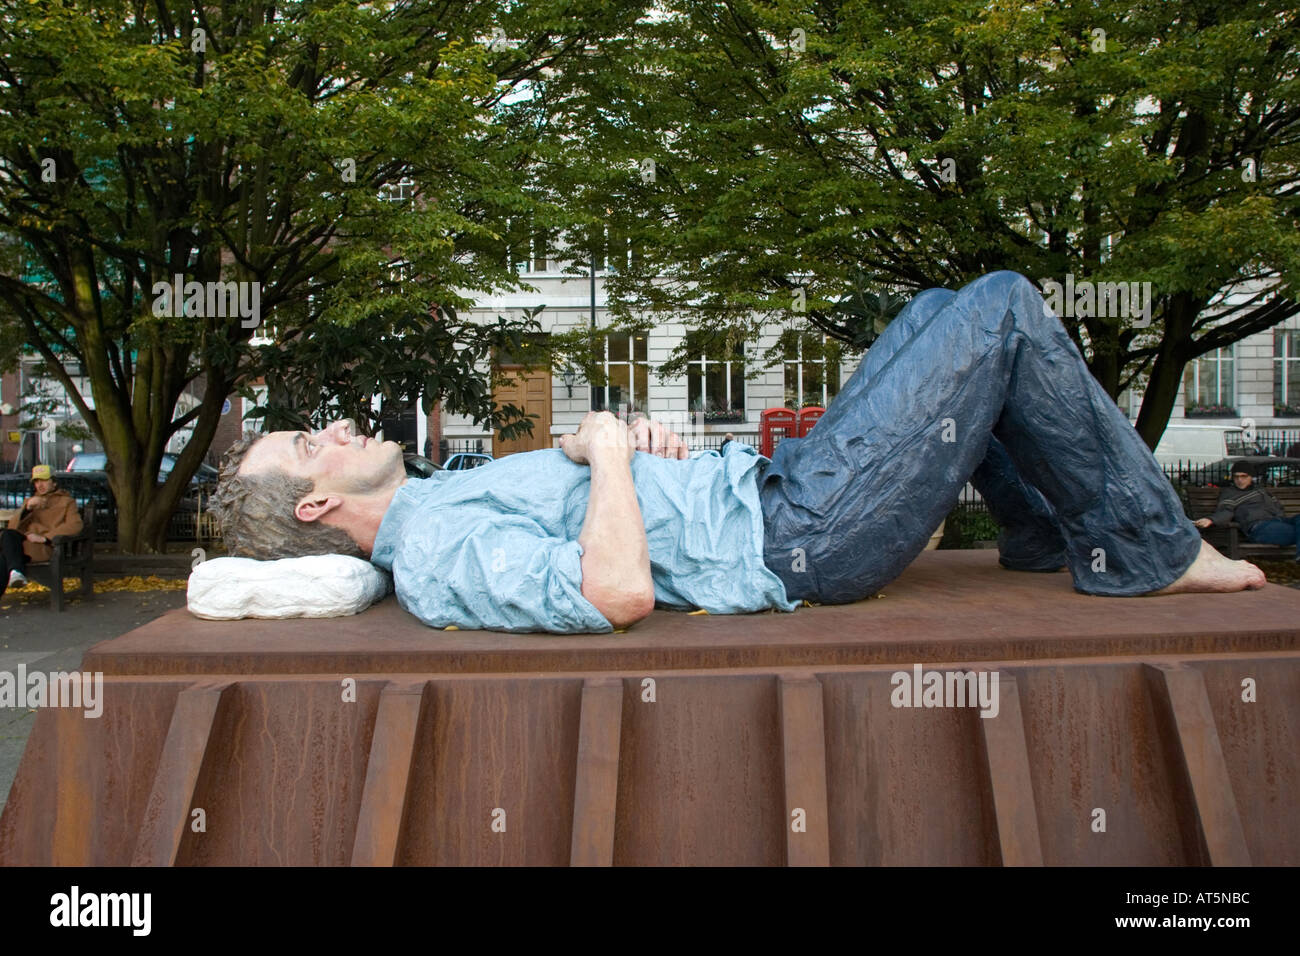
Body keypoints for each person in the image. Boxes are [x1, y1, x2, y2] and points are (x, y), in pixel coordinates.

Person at [211, 271, 1264, 634]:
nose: (339, 427)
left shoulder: (444, 497)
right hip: (803, 534)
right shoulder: (436, 549)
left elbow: (609, 519)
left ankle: (1040, 531)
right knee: (997, 312)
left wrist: (635, 457)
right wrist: (615, 451)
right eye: (312, 443)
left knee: (943, 308)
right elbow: (614, 591)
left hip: (772, 499)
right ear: (311, 507)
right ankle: (1142, 545)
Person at [1, 464, 84, 598]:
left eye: (44, 480)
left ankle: (16, 571)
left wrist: (46, 538)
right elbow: (13, 528)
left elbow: (75, 525)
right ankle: (16, 572)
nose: (40, 485)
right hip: (23, 545)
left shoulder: (66, 502)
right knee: (7, 535)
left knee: (4, 556)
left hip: (44, 546)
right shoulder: (31, 501)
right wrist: (27, 509)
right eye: (36, 481)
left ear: (54, 482)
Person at [1195, 461, 1300, 557]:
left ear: (1251, 477)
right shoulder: (1230, 493)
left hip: (1280, 521)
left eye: (1243, 476)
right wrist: (1211, 519)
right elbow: (1226, 511)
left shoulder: (1260, 490)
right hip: (1259, 527)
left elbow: (1278, 507)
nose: (1239, 480)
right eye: (1236, 477)